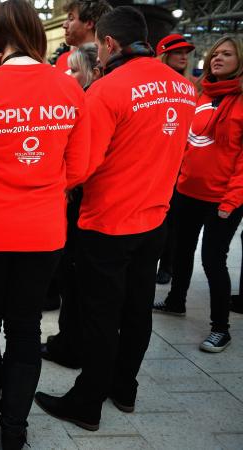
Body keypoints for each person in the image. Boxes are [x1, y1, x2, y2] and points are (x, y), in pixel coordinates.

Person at [34, 6, 197, 431]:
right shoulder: (183, 88)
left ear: (108, 43)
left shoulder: (107, 90)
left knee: (100, 314)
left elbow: (83, 166)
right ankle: (124, 388)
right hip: (155, 217)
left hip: (107, 221)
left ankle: (86, 402)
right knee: (137, 309)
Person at [0, 1, 90, 448]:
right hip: (42, 231)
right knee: (26, 328)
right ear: (33, 33)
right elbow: (80, 167)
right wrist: (40, 183)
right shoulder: (69, 89)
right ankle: (15, 431)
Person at [152, 36, 243, 353]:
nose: (217, 58)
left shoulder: (241, 101)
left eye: (227, 54)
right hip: (187, 191)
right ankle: (176, 300)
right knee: (180, 251)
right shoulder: (201, 95)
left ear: (240, 61)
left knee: (213, 260)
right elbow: (185, 143)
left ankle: (221, 328)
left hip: (222, 198)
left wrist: (231, 201)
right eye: (214, 53)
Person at [40, 42, 101, 371]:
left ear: (91, 72)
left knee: (75, 281)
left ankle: (70, 345)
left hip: (80, 203)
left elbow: (80, 165)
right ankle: (69, 340)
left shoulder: (88, 102)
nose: (67, 73)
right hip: (81, 201)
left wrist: (56, 187)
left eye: (74, 69)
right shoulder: (82, 98)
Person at [154, 33, 196, 285]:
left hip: (181, 163)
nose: (183, 56)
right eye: (177, 52)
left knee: (172, 221)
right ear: (164, 54)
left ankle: (166, 265)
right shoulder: (154, 87)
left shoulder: (191, 86)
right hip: (159, 160)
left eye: (186, 53)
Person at [55, 0, 112, 72]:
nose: (64, 25)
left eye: (71, 19)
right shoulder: (63, 60)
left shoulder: (107, 60)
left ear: (89, 24)